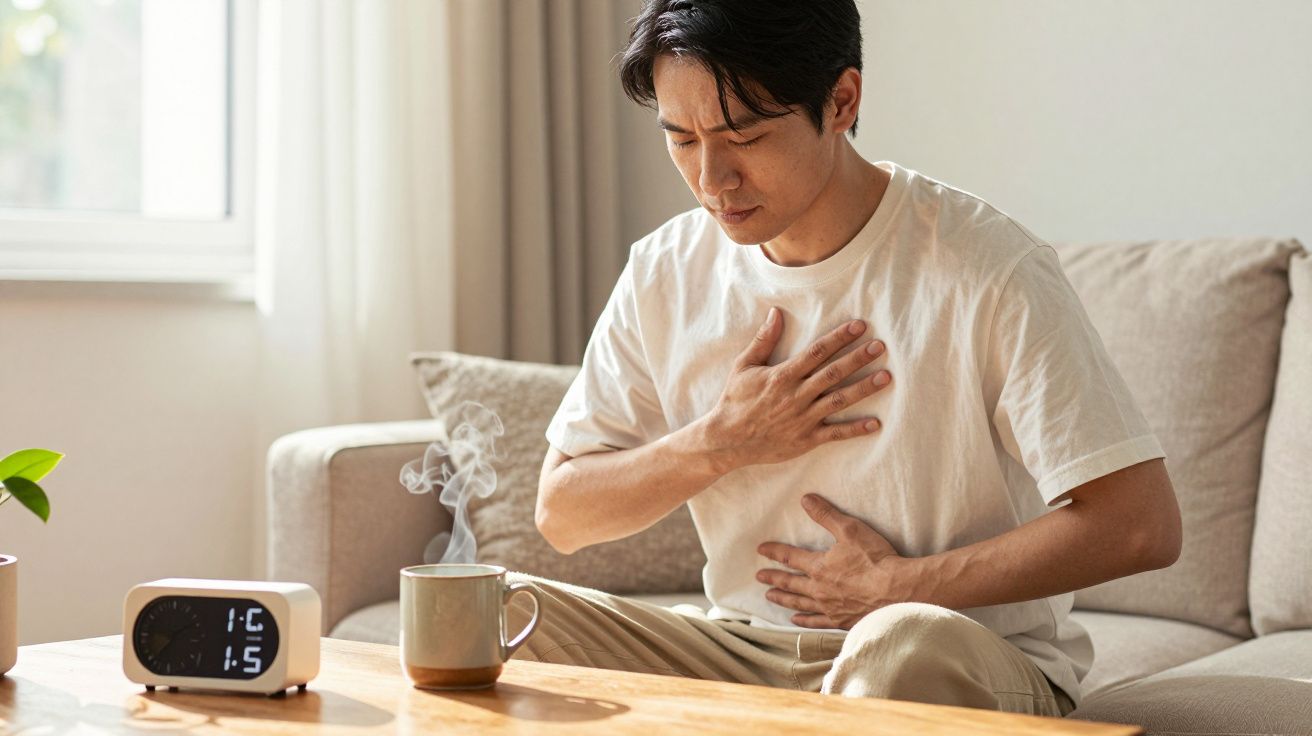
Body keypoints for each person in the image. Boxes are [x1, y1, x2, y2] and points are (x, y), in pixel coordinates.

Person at [512, 0, 1183, 718]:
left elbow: (1141, 524)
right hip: (747, 654)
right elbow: (563, 513)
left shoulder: (988, 267)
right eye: (681, 139)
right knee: (501, 611)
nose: (712, 178)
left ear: (841, 101)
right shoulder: (664, 271)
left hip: (952, 649)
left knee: (897, 646)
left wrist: (899, 586)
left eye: (746, 136)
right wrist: (720, 443)